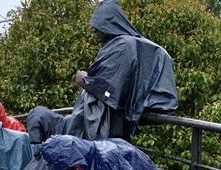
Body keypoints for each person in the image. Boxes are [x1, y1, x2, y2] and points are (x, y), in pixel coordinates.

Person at [65, 0, 177, 140]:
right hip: (117, 125)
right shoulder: (125, 44)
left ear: (109, 24)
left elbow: (110, 91)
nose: (94, 30)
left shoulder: (122, 46)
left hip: (111, 126)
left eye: (98, 25)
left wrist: (85, 80)